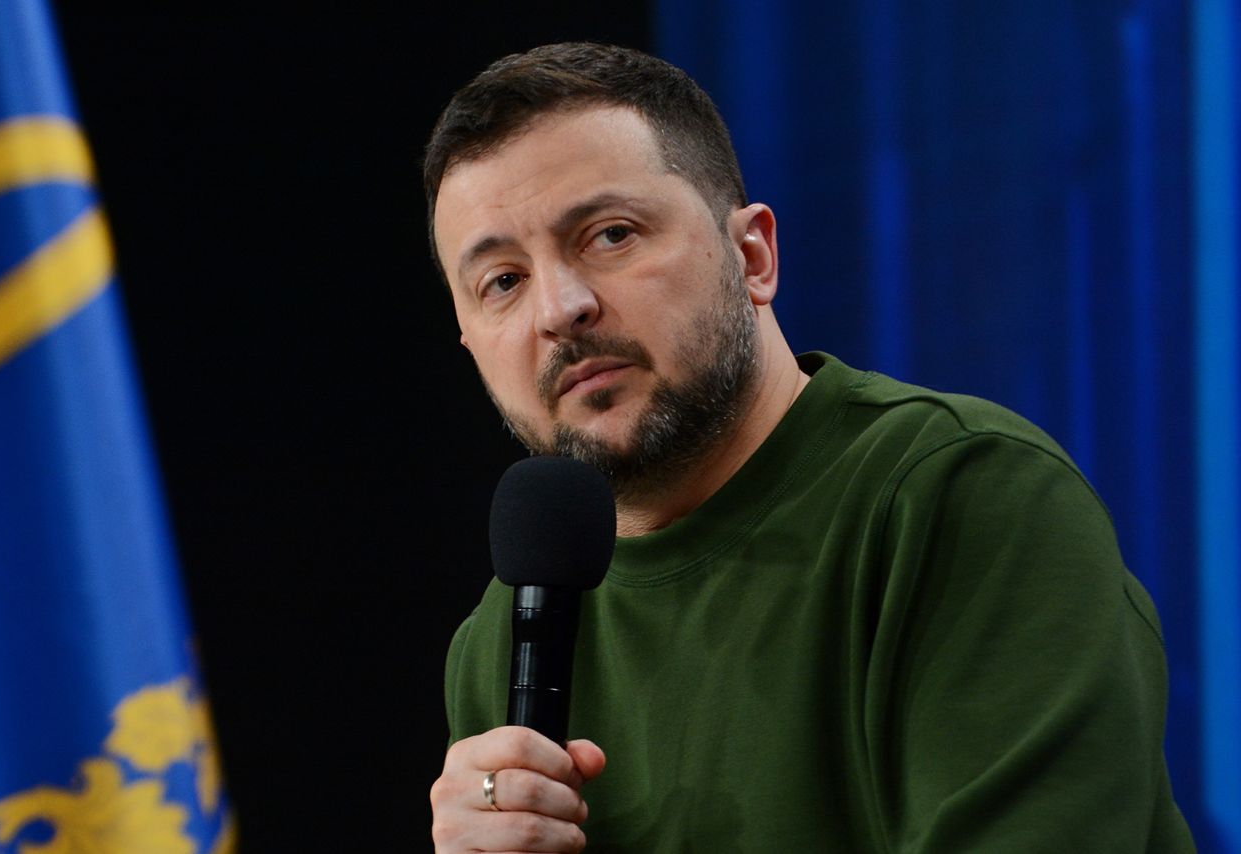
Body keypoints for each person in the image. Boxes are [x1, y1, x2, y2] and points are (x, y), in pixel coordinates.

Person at [424, 43, 1195, 852]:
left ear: (752, 258)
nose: (561, 308)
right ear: (472, 344)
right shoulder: (502, 640)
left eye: (610, 235)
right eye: (502, 281)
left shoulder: (962, 496)